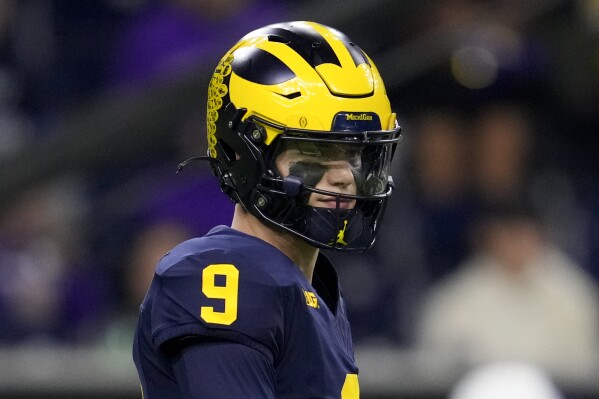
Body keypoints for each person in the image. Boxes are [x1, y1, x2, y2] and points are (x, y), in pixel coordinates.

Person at [132, 21, 401, 398]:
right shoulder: (223, 277)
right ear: (243, 155)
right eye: (314, 152)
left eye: (355, 153)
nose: (345, 177)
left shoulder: (309, 285)